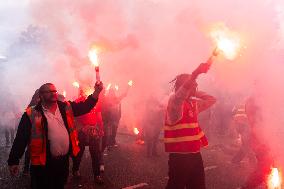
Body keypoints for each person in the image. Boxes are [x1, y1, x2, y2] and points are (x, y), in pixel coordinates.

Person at [8, 82, 103, 189]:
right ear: (41, 95)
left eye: (54, 91)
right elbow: (21, 138)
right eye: (49, 91)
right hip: (42, 164)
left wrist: (97, 92)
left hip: (63, 162)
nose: (53, 93)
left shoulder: (65, 107)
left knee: (59, 185)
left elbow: (85, 107)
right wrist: (13, 160)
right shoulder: (32, 114)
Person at [164, 62, 216, 189]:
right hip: (180, 157)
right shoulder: (174, 104)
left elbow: (211, 99)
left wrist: (195, 92)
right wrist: (195, 74)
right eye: (193, 85)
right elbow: (181, 94)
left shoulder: (192, 104)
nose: (196, 86)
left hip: (195, 154)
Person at [71, 87, 104, 184]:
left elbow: (99, 116)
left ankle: (97, 175)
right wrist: (82, 128)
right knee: (79, 153)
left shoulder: (96, 100)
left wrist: (101, 129)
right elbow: (74, 118)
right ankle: (75, 170)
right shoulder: (78, 101)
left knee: (95, 154)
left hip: (93, 130)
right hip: (82, 131)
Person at [240, 95, 273, 189]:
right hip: (261, 141)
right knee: (265, 168)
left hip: (269, 140)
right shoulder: (253, 101)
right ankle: (247, 187)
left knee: (268, 166)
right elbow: (256, 123)